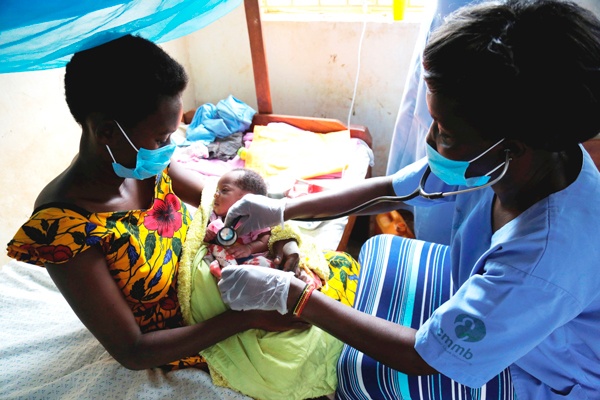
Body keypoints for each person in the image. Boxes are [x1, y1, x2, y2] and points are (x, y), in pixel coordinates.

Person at [218, 0, 600, 398]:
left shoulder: (543, 260)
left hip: (541, 371)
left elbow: (421, 358)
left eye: (446, 134)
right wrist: (281, 208)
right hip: (495, 305)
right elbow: (390, 190)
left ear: (513, 148)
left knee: (356, 372)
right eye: (435, 122)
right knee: (380, 247)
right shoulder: (522, 158)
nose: (430, 140)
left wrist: (293, 296)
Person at [4, 34, 344, 374]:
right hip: (192, 330)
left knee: (332, 287)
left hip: (221, 273)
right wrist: (250, 317)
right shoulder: (62, 229)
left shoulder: (145, 161)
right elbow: (133, 351)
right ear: (107, 132)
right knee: (322, 356)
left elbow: (224, 203)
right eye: (162, 138)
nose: (170, 149)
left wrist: (279, 239)